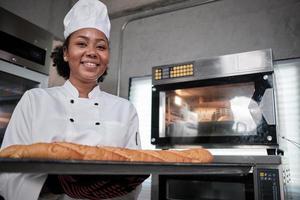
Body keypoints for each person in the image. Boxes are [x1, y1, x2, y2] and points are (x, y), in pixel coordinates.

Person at [0, 0, 146, 199]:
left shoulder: (125, 109)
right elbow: (6, 173)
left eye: (101, 46)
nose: (92, 52)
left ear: (107, 56)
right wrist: (55, 184)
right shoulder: (35, 100)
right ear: (66, 53)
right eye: (81, 44)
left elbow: (132, 177)